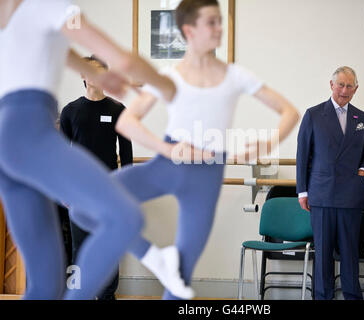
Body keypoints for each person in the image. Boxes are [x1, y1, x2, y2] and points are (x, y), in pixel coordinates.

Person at [70, 0, 299, 300]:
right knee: (81, 207)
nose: (219, 28)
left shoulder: (236, 76)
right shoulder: (170, 77)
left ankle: (168, 267)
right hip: (165, 166)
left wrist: (267, 142)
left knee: (180, 280)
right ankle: (154, 256)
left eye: (220, 21)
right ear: (189, 30)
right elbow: (127, 122)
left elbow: (289, 111)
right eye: (212, 22)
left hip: (205, 179)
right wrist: (168, 148)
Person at [0, 0, 199, 299]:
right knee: (125, 217)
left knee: (45, 283)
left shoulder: (14, 13)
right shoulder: (49, 6)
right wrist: (168, 86)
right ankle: (159, 262)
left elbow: (61, 51)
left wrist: (97, 74)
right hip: (28, 132)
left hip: (8, 144)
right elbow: (124, 59)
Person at [296, 66, 364, 300]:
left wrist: (362, 173)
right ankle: (322, 296)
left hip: (351, 195)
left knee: (350, 254)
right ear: (331, 85)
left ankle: (352, 296)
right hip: (321, 195)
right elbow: (303, 155)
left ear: (356, 89)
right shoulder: (313, 114)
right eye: (340, 84)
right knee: (323, 254)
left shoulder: (363, 118)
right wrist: (302, 191)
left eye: (350, 86)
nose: (344, 90)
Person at [60, 55, 134, 300]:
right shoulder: (70, 111)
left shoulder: (117, 110)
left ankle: (107, 296)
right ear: (82, 76)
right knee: (80, 249)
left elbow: (126, 153)